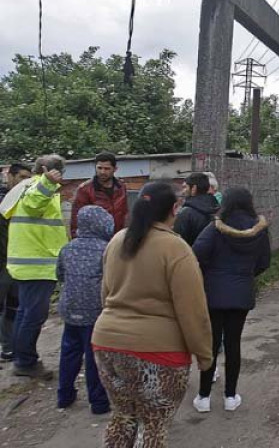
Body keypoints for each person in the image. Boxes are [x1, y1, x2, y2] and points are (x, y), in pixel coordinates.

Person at [92, 182, 212, 447]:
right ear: (173, 209)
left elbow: (105, 295)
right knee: (153, 425)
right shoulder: (176, 248)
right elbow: (193, 311)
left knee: (123, 416)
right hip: (158, 350)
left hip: (107, 344)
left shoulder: (117, 240)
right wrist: (204, 355)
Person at [191, 187, 270, 413]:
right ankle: (230, 397)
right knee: (233, 344)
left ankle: (204, 397)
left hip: (213, 295)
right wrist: (245, 276)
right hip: (242, 294)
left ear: (225, 203)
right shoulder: (260, 230)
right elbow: (264, 262)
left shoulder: (215, 228)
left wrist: (210, 273)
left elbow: (196, 254)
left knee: (212, 344)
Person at [1, 155, 67, 379]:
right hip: (37, 265)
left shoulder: (25, 187)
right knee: (33, 315)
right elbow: (33, 204)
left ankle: (23, 358)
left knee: (24, 313)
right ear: (49, 170)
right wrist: (47, 182)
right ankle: (26, 362)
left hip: (30, 263)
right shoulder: (37, 187)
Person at [56, 206, 112, 414]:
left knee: (69, 353)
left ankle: (64, 396)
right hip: (94, 311)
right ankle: (98, 402)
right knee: (94, 357)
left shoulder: (68, 248)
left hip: (70, 308)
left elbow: (60, 275)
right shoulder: (106, 249)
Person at [0, 163, 32, 361]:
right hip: (3, 262)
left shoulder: (24, 202)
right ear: (10, 176)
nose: (25, 182)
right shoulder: (4, 201)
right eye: (21, 177)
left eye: (28, 178)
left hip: (16, 262)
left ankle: (8, 348)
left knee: (13, 307)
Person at [70, 152, 128, 237]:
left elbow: (125, 213)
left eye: (107, 169)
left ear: (115, 169)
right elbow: (76, 219)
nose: (102, 172)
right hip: (96, 239)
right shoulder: (85, 190)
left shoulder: (121, 187)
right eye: (99, 168)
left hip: (118, 237)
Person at [174, 172, 219, 246]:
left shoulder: (186, 213)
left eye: (186, 187)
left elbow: (178, 244)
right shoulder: (219, 210)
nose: (183, 191)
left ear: (194, 188)